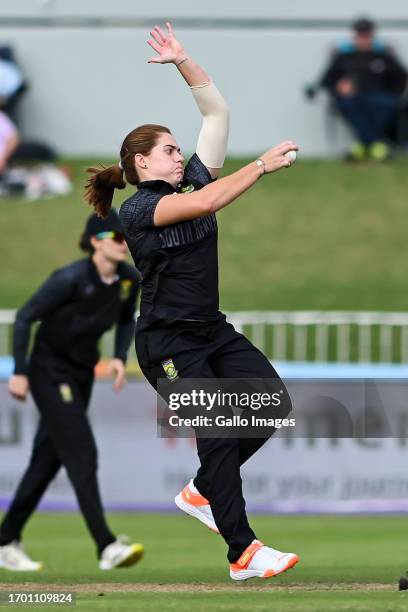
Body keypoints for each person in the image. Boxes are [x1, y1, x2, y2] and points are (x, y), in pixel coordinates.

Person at [85, 23, 299, 581]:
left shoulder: (185, 187)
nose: (180, 155)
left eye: (180, 149)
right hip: (168, 341)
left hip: (211, 329)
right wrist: (260, 166)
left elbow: (217, 117)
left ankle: (203, 491)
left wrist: (184, 62)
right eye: (169, 150)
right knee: (219, 432)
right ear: (142, 166)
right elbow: (210, 200)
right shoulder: (138, 210)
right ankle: (243, 553)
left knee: (269, 404)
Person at [0, 210, 144, 571]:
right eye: (116, 237)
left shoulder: (128, 279)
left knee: (45, 463)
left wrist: (117, 357)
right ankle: (106, 545)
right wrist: (20, 371)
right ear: (96, 241)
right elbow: (24, 317)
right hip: (49, 371)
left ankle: (5, 540)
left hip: (79, 375)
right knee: (82, 452)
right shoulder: (69, 279)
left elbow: (127, 319)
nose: (123, 243)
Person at [307, 17, 408, 161]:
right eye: (360, 35)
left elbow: (401, 77)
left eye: (366, 35)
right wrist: (339, 87)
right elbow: (327, 80)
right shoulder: (344, 57)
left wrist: (395, 93)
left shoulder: (384, 56)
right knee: (348, 103)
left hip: (382, 97)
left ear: (372, 36)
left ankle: (362, 145)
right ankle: (376, 144)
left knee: (386, 104)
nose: (363, 39)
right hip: (354, 98)